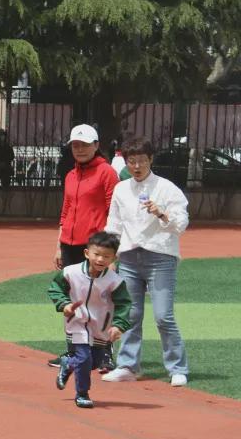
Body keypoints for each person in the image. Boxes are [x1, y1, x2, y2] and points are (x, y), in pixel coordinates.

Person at [103, 136, 190, 387]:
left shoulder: (167, 188)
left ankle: (177, 367)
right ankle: (128, 365)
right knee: (130, 313)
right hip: (129, 256)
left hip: (160, 256)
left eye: (142, 160)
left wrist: (161, 212)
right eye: (132, 161)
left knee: (163, 315)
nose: (137, 166)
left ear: (151, 159)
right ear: (126, 162)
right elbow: (114, 226)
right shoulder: (121, 189)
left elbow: (181, 223)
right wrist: (110, 258)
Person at [50, 124, 118, 368]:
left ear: (97, 146)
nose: (79, 149)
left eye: (85, 144)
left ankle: (105, 353)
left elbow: (114, 210)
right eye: (75, 145)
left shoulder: (107, 172)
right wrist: (59, 245)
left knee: (101, 299)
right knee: (73, 300)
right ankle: (74, 351)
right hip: (69, 244)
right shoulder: (70, 175)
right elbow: (66, 211)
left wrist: (110, 248)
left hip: (95, 247)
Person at [49, 231, 132, 409]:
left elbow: (124, 304)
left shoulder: (115, 281)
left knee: (95, 362)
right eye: (97, 254)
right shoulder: (70, 272)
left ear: (113, 258)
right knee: (84, 359)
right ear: (87, 253)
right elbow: (55, 289)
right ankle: (82, 393)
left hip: (100, 326)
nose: (101, 259)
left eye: (106, 256)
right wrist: (65, 305)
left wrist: (119, 325)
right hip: (76, 322)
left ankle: (68, 364)